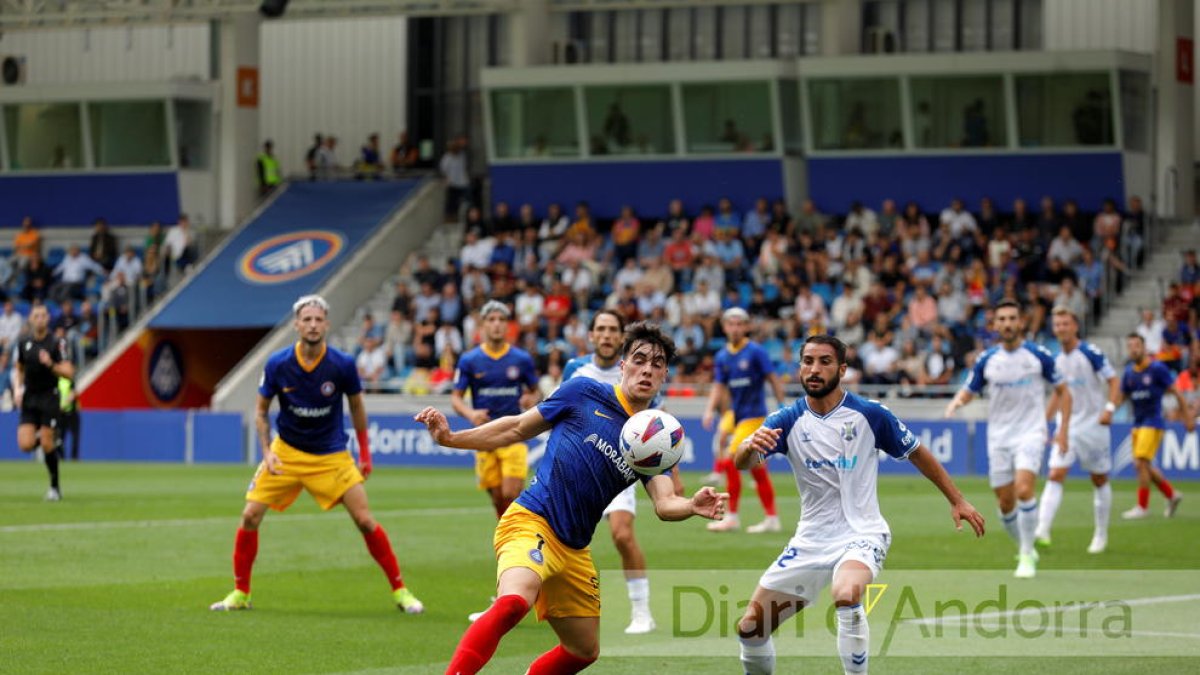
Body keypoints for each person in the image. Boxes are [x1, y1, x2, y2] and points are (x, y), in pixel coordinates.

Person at [416, 321, 728, 675]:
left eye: (657, 365)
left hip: (574, 548)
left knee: (583, 650)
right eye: (639, 360)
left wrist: (690, 506)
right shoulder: (582, 392)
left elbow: (664, 502)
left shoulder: (652, 437)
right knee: (513, 603)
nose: (647, 369)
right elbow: (516, 427)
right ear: (623, 366)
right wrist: (451, 438)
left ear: (664, 376)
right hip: (532, 520)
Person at [734, 335, 985, 675]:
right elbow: (742, 463)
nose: (814, 369)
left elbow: (917, 452)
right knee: (750, 628)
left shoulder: (869, 414)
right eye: (808, 361)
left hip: (861, 532)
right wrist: (749, 447)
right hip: (810, 539)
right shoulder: (786, 419)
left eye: (824, 362)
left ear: (842, 369)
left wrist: (958, 500)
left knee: (846, 592)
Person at [209, 295, 424, 613]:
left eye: (317, 319)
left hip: (331, 455)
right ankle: (241, 593)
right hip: (287, 453)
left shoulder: (342, 364)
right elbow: (260, 411)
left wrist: (365, 453)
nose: (312, 325)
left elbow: (356, 407)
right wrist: (267, 452)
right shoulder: (278, 363)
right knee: (250, 516)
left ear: (326, 324)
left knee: (365, 520)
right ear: (296, 324)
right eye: (306, 319)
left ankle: (401, 591)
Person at [560, 309, 681, 635]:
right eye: (601, 328)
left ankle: (641, 611)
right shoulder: (576, 369)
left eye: (613, 329)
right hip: (578, 462)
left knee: (622, 535)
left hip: (622, 458)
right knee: (553, 531)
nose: (607, 335)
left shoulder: (641, 367)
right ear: (592, 335)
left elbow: (661, 427)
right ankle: (520, 595)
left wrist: (674, 476)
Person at [945, 299, 1070, 579]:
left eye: (1012, 318)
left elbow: (1063, 391)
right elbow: (971, 388)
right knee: (1004, 503)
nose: (1008, 324)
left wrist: (1061, 430)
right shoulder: (988, 360)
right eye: (1002, 319)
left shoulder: (1039, 355)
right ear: (995, 325)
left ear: (1021, 322)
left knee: (1024, 490)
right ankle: (1025, 546)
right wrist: (956, 403)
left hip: (1030, 432)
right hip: (999, 436)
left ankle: (1026, 554)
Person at [1034, 307, 1119, 554]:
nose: (1061, 328)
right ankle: (1042, 528)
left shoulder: (1091, 353)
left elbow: (1114, 380)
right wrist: (1043, 423)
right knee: (1055, 474)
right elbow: (1057, 396)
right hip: (1067, 426)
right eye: (1057, 324)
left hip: (1094, 426)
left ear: (1075, 326)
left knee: (1099, 478)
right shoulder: (1056, 360)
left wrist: (1110, 408)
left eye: (1065, 324)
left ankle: (1101, 533)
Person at [451, 300, 540, 519]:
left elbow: (535, 391)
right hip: (484, 435)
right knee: (497, 497)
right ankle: (507, 539)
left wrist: (531, 398)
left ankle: (518, 538)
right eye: (491, 320)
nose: (497, 324)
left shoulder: (521, 359)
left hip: (514, 433)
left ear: (508, 325)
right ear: (483, 325)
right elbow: (456, 399)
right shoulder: (469, 360)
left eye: (501, 320)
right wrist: (471, 414)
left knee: (511, 493)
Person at [702, 307, 786, 533]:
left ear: (747, 326)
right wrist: (710, 409)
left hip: (755, 416)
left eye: (740, 324)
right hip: (736, 415)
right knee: (757, 470)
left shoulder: (756, 352)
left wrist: (781, 406)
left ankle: (732, 516)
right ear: (724, 326)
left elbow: (772, 378)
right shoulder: (722, 356)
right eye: (731, 324)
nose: (736, 328)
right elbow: (719, 386)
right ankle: (771, 518)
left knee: (731, 460)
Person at [1102, 333, 1194, 519]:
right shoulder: (1129, 372)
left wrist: (1187, 417)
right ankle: (1171, 495)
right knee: (1144, 465)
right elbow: (1122, 396)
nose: (1133, 349)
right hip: (1137, 422)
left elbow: (1176, 392)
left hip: (1153, 422)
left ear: (1144, 348)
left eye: (1137, 345)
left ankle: (1142, 506)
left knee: (1140, 463)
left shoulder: (1157, 368)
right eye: (1130, 346)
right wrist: (1109, 410)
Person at [12, 304, 75, 501]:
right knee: (25, 444)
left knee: (47, 443)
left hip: (49, 396)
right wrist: (17, 389)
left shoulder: (57, 343)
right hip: (30, 397)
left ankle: (55, 487)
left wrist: (51, 364)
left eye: (43, 315)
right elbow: (19, 368)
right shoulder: (24, 343)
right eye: (36, 316)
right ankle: (47, 438)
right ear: (30, 319)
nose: (40, 319)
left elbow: (69, 372)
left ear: (48, 319)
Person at [56, 374, 81, 461]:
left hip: (71, 412)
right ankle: (62, 457)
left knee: (75, 437)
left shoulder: (70, 380)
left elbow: (73, 394)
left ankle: (74, 458)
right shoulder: (57, 381)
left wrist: (63, 405)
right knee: (60, 438)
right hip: (61, 414)